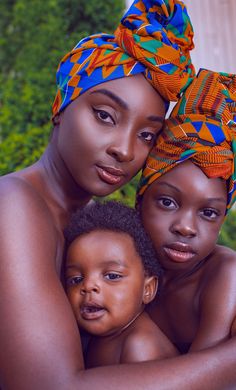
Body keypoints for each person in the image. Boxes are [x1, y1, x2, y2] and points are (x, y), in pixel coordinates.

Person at [0, 0, 236, 387]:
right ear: (61, 104)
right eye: (105, 116)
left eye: (146, 135)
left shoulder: (98, 223)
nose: (125, 150)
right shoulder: (14, 204)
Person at [138, 68, 236, 354]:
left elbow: (209, 379)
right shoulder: (124, 258)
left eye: (208, 213)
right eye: (168, 202)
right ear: (140, 199)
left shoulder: (224, 275)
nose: (186, 227)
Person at [64, 201, 178, 367]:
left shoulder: (140, 348)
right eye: (76, 279)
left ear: (147, 289)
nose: (88, 286)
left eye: (111, 276)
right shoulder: (104, 334)